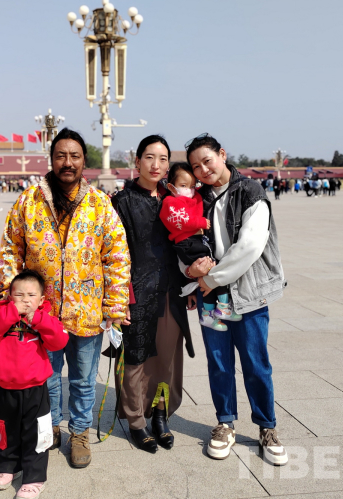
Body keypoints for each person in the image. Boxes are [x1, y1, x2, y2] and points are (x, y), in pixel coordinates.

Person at [0, 128, 130, 469]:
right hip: (41, 313)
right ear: (51, 159)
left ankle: (80, 432)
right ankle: (52, 427)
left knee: (84, 379)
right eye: (61, 156)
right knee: (47, 376)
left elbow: (116, 256)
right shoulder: (28, 201)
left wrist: (115, 305)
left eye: (74, 156)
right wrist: (11, 299)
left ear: (84, 161)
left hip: (87, 311)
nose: (67, 162)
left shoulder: (99, 204)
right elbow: (11, 249)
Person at [185, 133, 288, 466]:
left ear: (222, 155)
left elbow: (250, 245)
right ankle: (225, 422)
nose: (203, 170)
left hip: (248, 296)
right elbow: (182, 242)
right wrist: (190, 277)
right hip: (212, 300)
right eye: (196, 167)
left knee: (256, 362)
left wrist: (210, 279)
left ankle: (267, 427)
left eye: (207, 161)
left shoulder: (250, 192)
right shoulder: (196, 200)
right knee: (219, 362)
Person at [112, 137, 194, 454]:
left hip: (170, 292)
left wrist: (189, 285)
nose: (156, 165)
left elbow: (186, 243)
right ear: (137, 162)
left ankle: (160, 414)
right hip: (136, 293)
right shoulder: (122, 202)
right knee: (135, 359)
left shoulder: (174, 200)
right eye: (149, 157)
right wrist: (119, 298)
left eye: (162, 159)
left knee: (165, 360)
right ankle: (136, 421)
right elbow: (114, 254)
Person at [0, 270, 68, 498]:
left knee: (36, 434)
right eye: (19, 295)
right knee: (3, 430)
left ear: (41, 299)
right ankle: (8, 466)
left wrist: (38, 320)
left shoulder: (45, 317)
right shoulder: (0, 313)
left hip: (34, 389)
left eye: (31, 295)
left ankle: (34, 477)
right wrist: (10, 313)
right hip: (3, 387)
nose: (25, 300)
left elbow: (59, 341)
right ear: (10, 297)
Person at [159, 161, 231, 331]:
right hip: (186, 243)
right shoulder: (170, 202)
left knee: (208, 274)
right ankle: (222, 307)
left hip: (195, 241)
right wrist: (200, 222)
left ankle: (209, 313)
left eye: (192, 186)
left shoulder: (194, 197)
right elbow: (180, 219)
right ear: (171, 186)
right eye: (183, 185)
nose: (189, 190)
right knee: (214, 269)